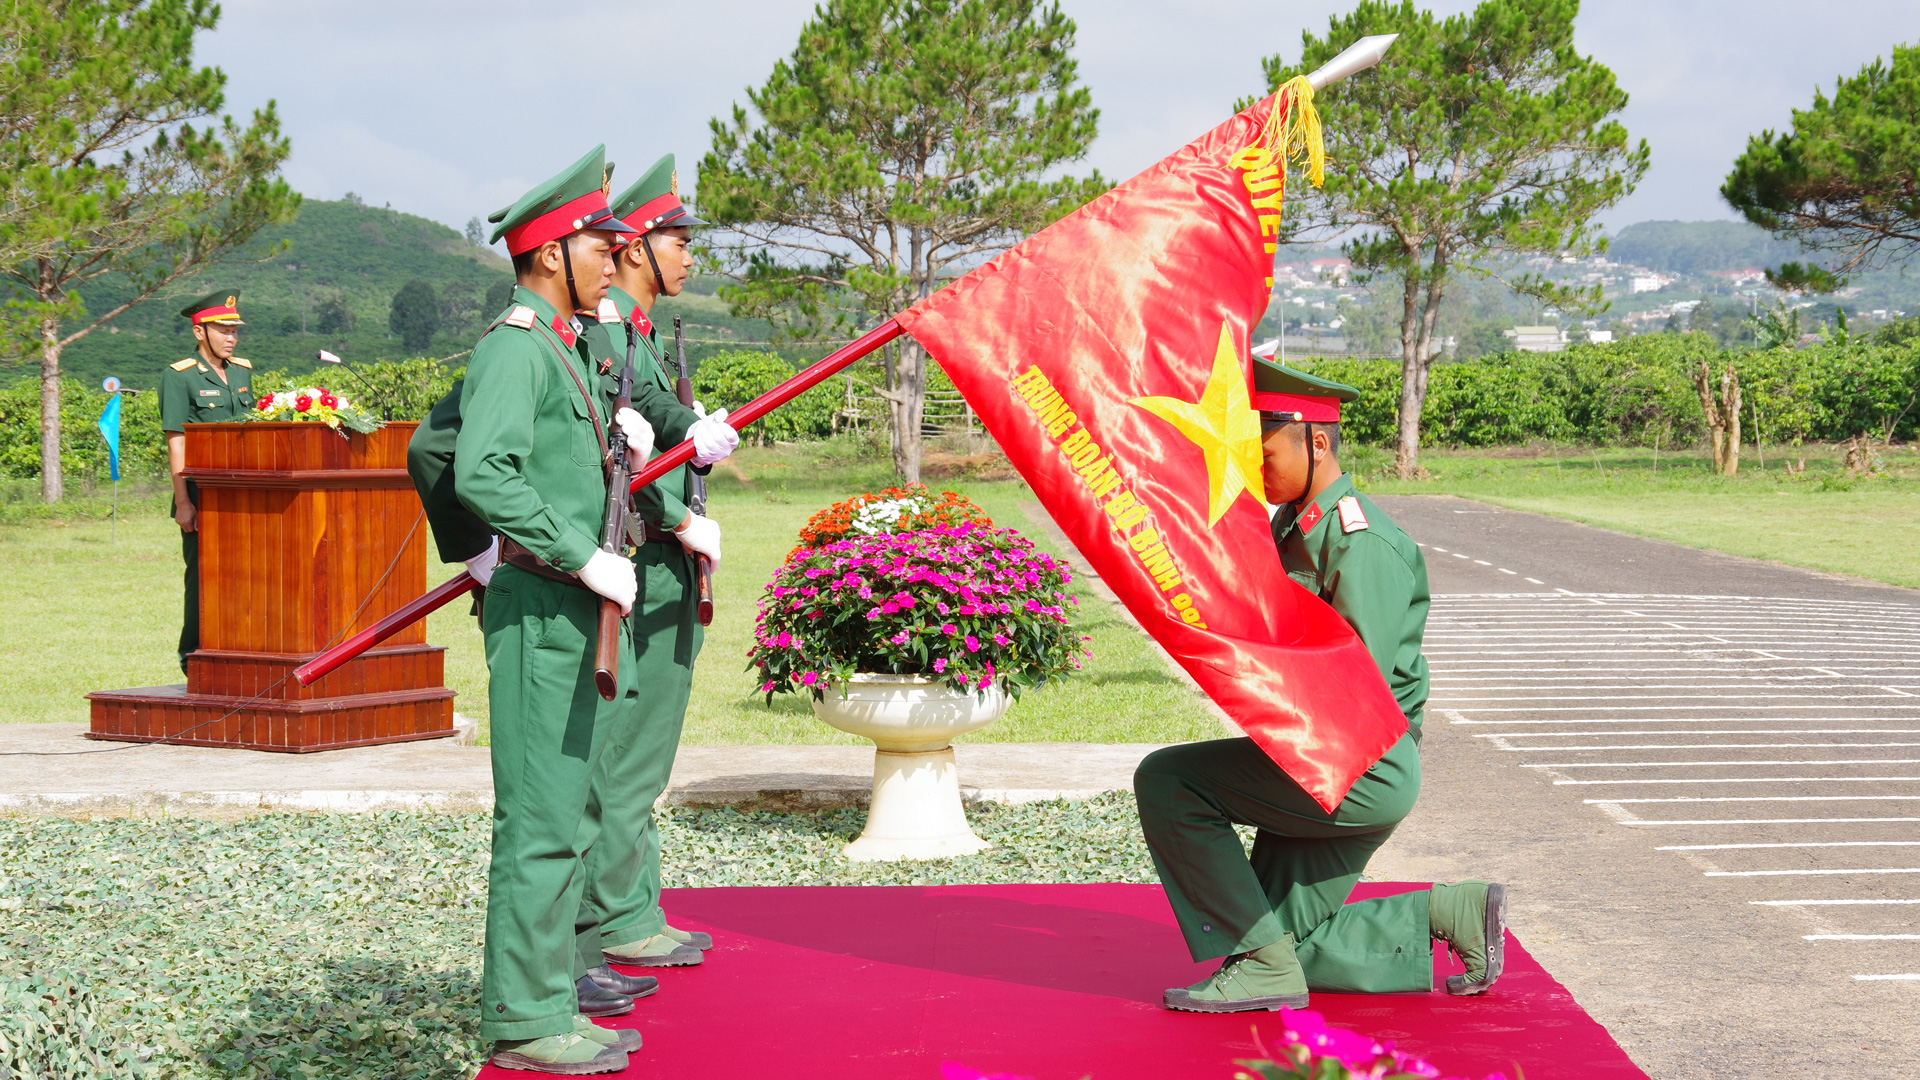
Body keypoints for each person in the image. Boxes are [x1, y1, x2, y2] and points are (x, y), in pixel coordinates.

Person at [451, 145, 736, 1075]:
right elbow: (477, 469)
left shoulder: (563, 350)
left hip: (575, 602)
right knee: (538, 821)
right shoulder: (515, 351)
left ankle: (547, 995)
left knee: (566, 809)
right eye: (598, 246)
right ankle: (526, 1018)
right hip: (544, 605)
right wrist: (573, 552)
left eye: (619, 246)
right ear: (548, 257)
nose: (614, 259)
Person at [1134, 358, 1506, 1014]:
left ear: (1318, 440)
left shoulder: (1361, 545)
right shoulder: (1292, 530)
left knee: (1169, 781)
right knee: (1281, 943)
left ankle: (1262, 966)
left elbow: (1355, 688)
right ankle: (1453, 912)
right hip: (1316, 757)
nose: (1252, 465)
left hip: (1360, 764)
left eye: (1263, 448)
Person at [573, 154, 723, 976]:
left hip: (670, 560)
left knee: (646, 753)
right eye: (678, 239)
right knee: (624, 755)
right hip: (642, 560)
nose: (689, 255)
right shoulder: (603, 334)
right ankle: (613, 917)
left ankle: (633, 905)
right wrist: (673, 517)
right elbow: (612, 459)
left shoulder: (639, 337)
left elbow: (660, 436)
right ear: (636, 248)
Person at [159, 291, 256, 674]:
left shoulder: (242, 370)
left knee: (243, 576)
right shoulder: (179, 376)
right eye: (222, 329)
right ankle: (194, 658)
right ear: (200, 332)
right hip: (203, 494)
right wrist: (183, 501)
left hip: (243, 495)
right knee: (202, 579)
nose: (231, 337)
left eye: (234, 330)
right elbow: (176, 439)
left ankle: (237, 651)